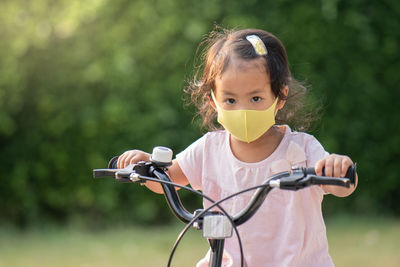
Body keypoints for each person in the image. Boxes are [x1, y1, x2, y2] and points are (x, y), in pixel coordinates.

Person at [117, 28, 358, 267]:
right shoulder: (210, 149)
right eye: (230, 100)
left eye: (255, 99)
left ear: (280, 96)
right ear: (213, 101)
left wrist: (338, 169)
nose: (243, 111)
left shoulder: (302, 149)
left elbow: (340, 185)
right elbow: (169, 178)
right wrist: (147, 165)